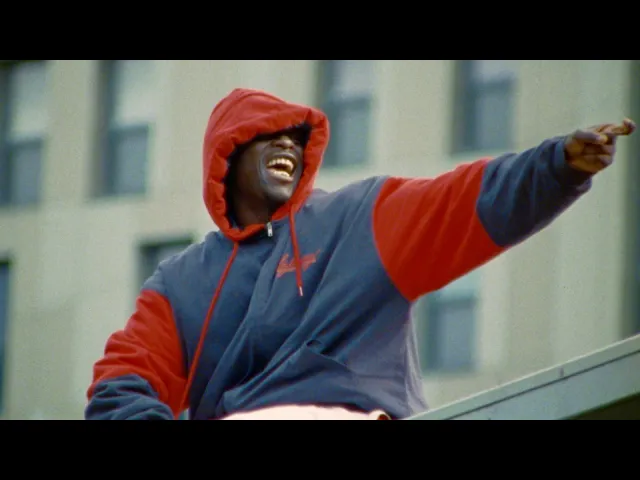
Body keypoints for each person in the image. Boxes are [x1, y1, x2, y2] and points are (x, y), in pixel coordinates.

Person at [84, 87, 636, 420]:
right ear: (227, 158)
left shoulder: (356, 218)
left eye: (296, 137)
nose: (288, 144)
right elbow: (121, 382)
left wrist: (558, 165)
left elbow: (463, 201)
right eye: (269, 134)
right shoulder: (180, 283)